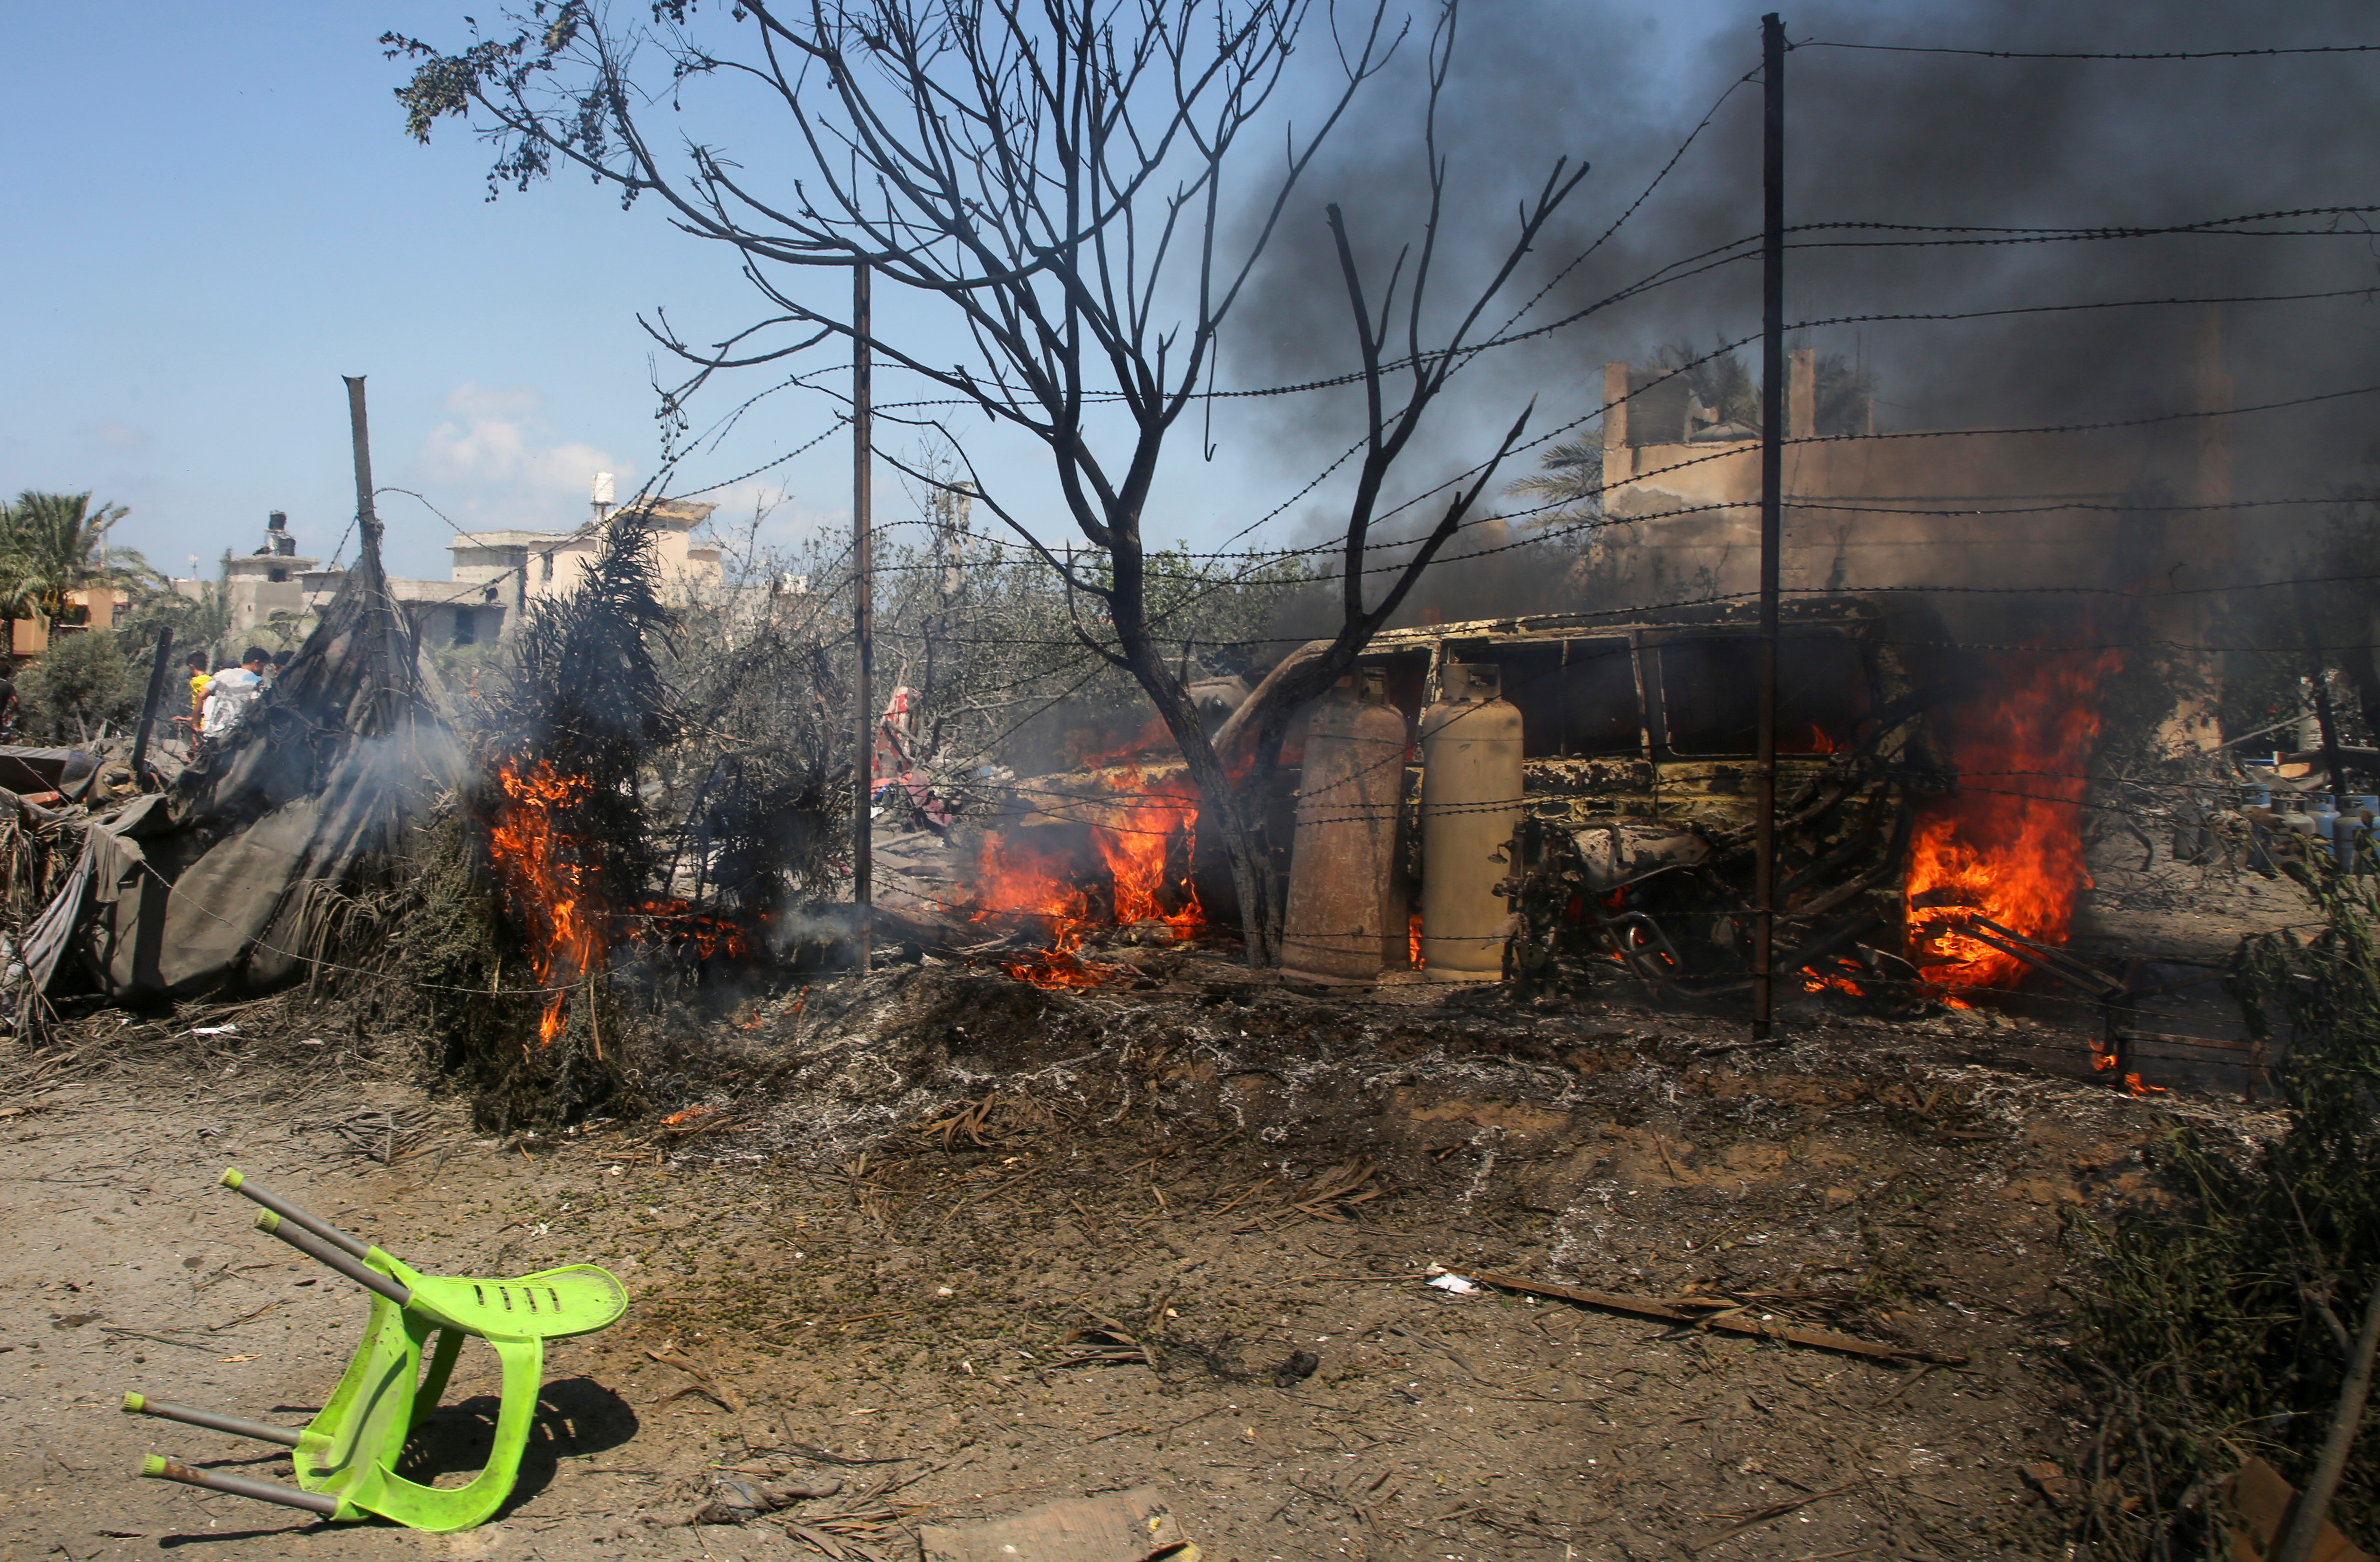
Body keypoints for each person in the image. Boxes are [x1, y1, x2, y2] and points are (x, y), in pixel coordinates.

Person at [200, 647, 271, 740]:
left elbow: (201, 695)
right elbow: (256, 704)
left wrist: (195, 722)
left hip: (210, 730)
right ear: (256, 663)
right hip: (231, 733)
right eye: (264, 666)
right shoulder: (257, 681)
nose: (263, 671)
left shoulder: (222, 674)